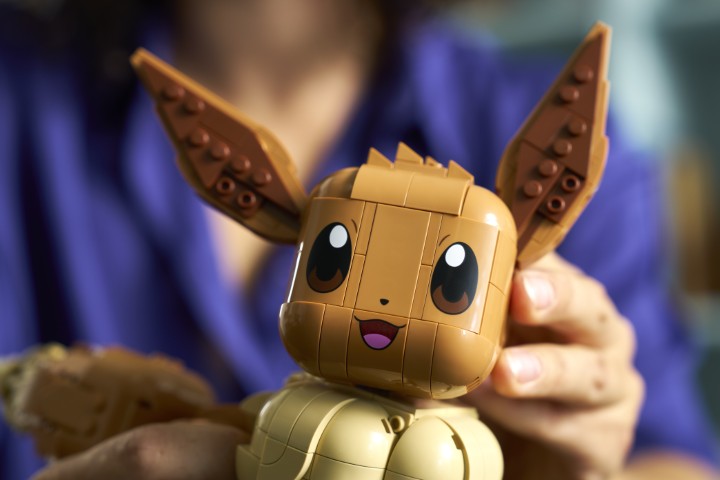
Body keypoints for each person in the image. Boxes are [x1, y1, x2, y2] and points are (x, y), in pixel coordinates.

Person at [0, 1, 716, 479]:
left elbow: (672, 455)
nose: (378, 310)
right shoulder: (19, 102)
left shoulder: (523, 127)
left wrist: (582, 468)